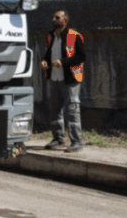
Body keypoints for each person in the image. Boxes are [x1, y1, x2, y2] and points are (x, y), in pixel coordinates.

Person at [40, 10, 86, 152]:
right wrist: (44, 61)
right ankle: (58, 139)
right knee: (55, 110)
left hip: (70, 79)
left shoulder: (74, 36)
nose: (54, 19)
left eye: (57, 17)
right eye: (53, 17)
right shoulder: (50, 36)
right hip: (55, 78)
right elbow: (48, 54)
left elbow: (81, 57)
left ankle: (76, 141)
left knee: (72, 110)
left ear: (66, 20)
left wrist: (63, 62)